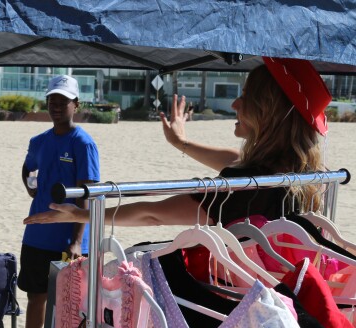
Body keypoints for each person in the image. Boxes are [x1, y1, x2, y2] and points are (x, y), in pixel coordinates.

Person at [24, 57, 328, 242]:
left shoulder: (247, 186)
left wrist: (81, 216)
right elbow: (238, 161)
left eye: (245, 96)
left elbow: (152, 214)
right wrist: (180, 143)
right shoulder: (304, 174)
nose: (235, 104)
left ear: (267, 111)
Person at [20, 74, 100, 328]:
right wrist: (31, 185)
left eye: (63, 101)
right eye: (52, 100)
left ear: (75, 105)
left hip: (70, 238)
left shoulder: (83, 143)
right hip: (37, 234)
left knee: (71, 302)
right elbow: (28, 169)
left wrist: (77, 240)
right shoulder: (38, 140)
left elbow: (89, 196)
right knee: (35, 296)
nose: (56, 105)